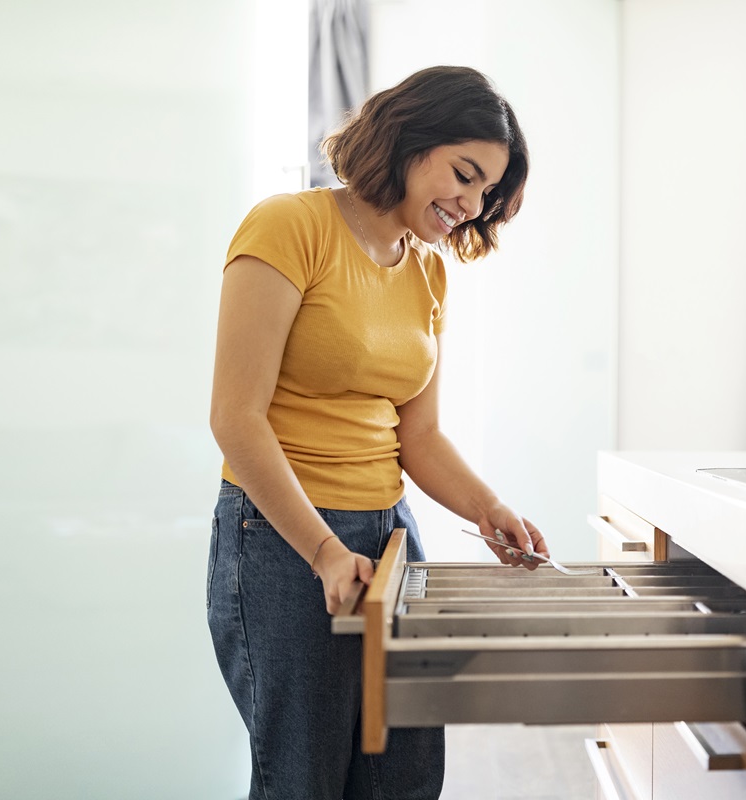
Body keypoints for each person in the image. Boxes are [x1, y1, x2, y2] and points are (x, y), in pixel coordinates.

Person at [205, 65, 546, 799]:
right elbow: (235, 418)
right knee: (305, 779)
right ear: (408, 140)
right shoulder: (290, 225)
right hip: (282, 540)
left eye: (487, 191)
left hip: (389, 535)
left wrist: (491, 511)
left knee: (406, 776)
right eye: (463, 173)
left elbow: (418, 437)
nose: (471, 201)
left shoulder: (428, 273)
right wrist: (324, 551)